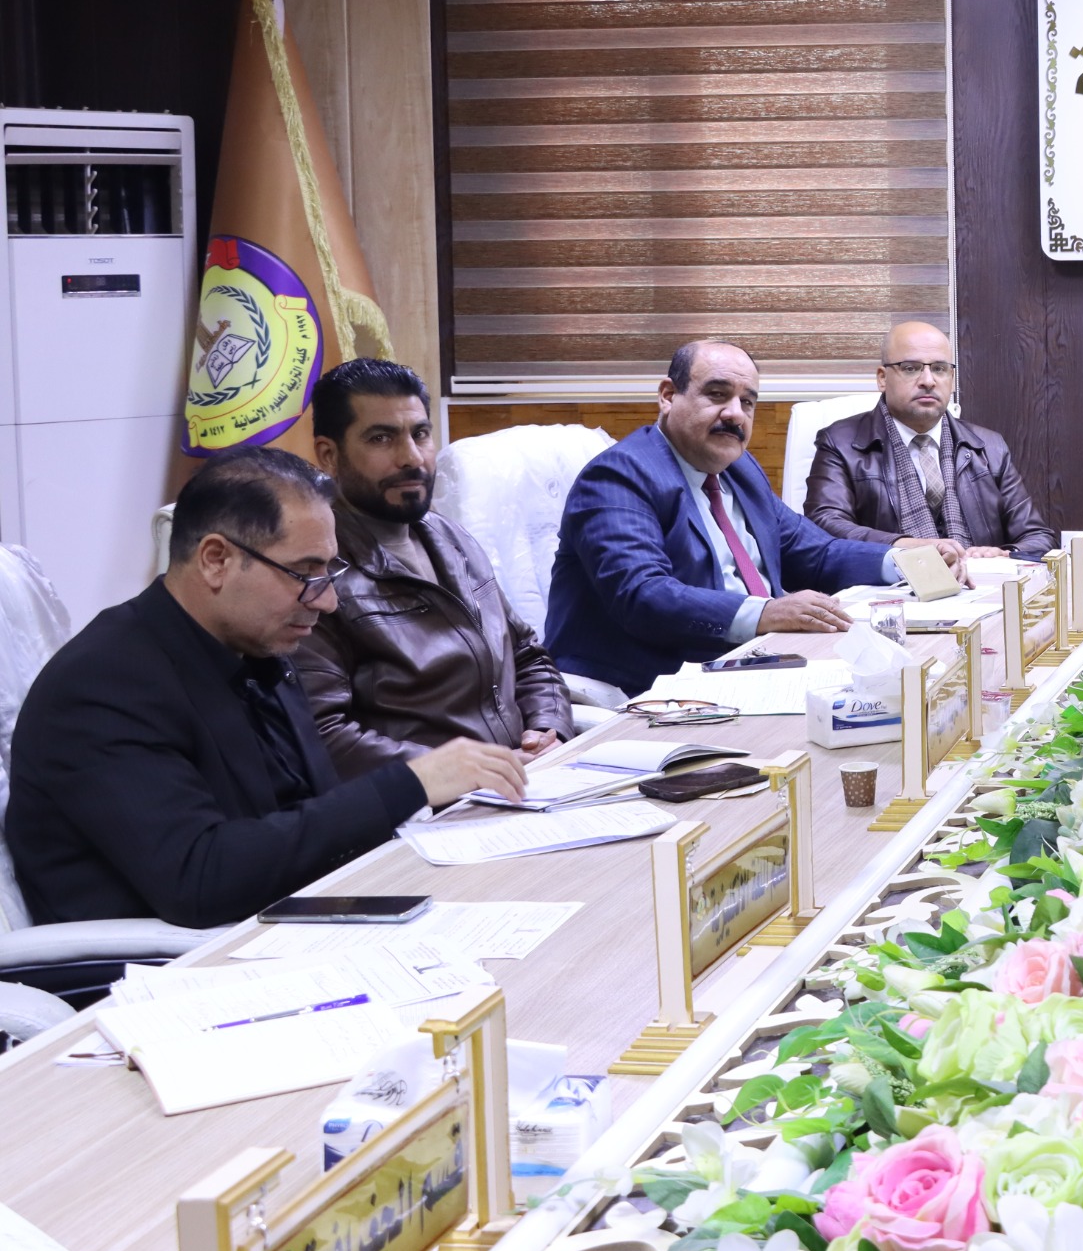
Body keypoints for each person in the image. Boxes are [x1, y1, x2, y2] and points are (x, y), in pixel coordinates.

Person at [5, 449, 525, 929]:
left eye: (329, 570)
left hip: (288, 922)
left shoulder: (256, 647)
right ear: (215, 560)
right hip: (166, 969)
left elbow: (304, 811)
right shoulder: (104, 685)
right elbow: (201, 879)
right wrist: (405, 785)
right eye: (304, 572)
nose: (326, 601)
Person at [546, 338, 894, 698]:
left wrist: (907, 563)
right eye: (717, 394)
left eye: (747, 402)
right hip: (652, 687)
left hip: (755, 665)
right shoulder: (619, 476)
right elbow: (642, 594)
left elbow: (817, 553)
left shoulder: (738, 470)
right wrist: (767, 613)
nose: (735, 414)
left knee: (887, 686)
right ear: (668, 395)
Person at [294, 358, 572, 777]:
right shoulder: (313, 574)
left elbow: (528, 656)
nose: (411, 457)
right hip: (426, 804)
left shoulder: (451, 537)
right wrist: (461, 771)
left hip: (525, 782)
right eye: (381, 438)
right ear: (329, 455)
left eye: (420, 434)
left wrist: (548, 727)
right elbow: (323, 735)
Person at [805, 320, 1056, 562]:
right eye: (910, 368)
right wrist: (904, 546)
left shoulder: (989, 447)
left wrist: (1003, 555)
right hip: (891, 585)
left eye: (939, 369)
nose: (928, 381)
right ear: (882, 378)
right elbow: (824, 525)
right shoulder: (840, 443)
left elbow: (1038, 538)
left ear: (952, 378)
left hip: (979, 582)